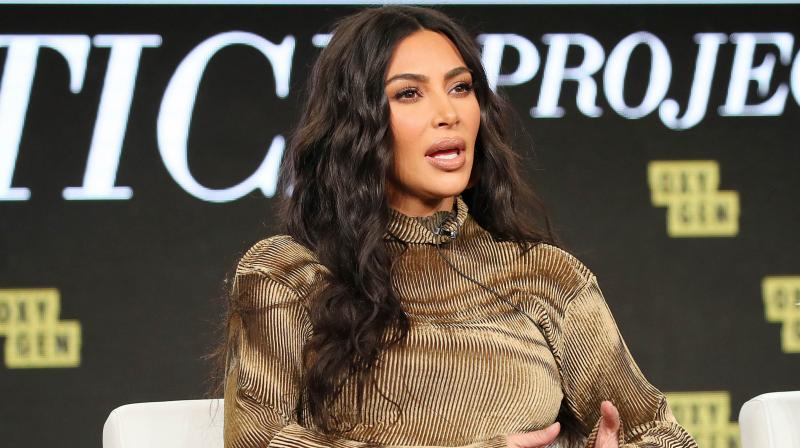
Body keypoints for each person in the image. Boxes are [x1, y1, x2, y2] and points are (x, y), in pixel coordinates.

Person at [220, 5, 697, 448]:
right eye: (409, 93)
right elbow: (259, 440)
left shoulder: (547, 277)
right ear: (355, 125)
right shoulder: (287, 274)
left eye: (460, 87)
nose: (447, 114)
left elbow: (662, 434)